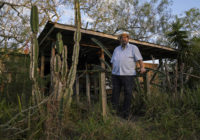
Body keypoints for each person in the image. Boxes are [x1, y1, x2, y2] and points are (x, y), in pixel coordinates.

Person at [110, 32, 146, 119]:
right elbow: (112, 61)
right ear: (120, 39)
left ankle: (125, 113)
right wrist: (112, 71)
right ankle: (114, 111)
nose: (124, 39)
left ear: (128, 39)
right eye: (122, 37)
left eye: (126, 37)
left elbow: (139, 59)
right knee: (115, 93)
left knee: (128, 94)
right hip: (116, 75)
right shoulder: (116, 49)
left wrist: (142, 67)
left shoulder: (133, 48)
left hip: (128, 75)